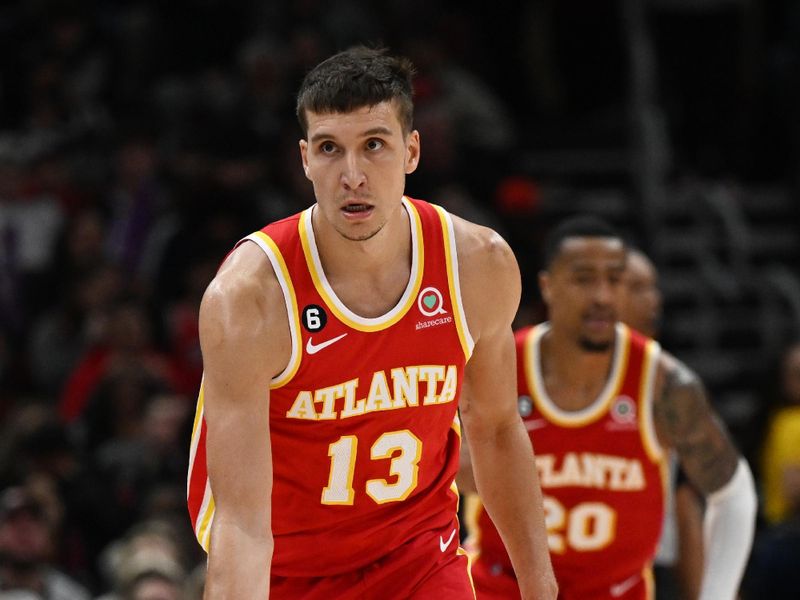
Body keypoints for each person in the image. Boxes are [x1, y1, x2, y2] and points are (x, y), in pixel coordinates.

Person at [186, 46, 557, 599]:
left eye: (374, 146)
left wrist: (540, 587)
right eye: (331, 149)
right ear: (305, 158)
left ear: (411, 150)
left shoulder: (477, 264)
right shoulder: (249, 299)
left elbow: (497, 429)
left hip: (416, 554)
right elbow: (241, 525)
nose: (352, 176)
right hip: (286, 566)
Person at [459, 215, 757, 599]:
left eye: (615, 280)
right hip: (499, 589)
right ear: (548, 286)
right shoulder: (497, 365)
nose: (602, 295)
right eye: (584, 279)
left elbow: (734, 492)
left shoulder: (661, 382)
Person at [622, 248, 704, 600]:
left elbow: (686, 500)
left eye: (653, 288)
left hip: (651, 570)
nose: (653, 299)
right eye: (637, 287)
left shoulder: (668, 382)